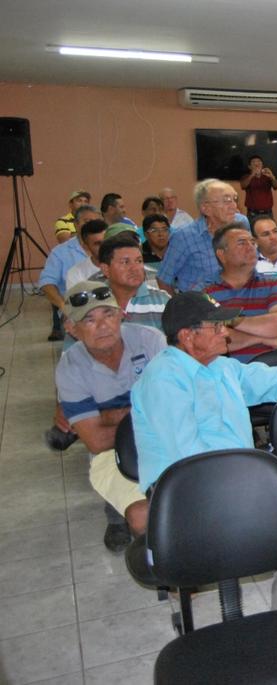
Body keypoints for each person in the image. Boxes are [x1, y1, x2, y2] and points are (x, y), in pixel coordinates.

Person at [131, 291, 277, 614]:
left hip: (234, 488)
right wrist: (258, 484)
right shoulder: (164, 379)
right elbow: (191, 462)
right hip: (190, 503)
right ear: (187, 336)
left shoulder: (221, 368)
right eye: (217, 327)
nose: (227, 333)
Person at [56, 280, 163, 550]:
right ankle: (177, 582)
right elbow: (97, 442)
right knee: (143, 516)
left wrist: (107, 415)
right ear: (71, 329)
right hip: (111, 455)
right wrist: (146, 410)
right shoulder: (70, 367)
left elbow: (174, 408)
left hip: (167, 441)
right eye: (89, 319)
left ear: (121, 316)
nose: (103, 326)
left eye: (109, 315)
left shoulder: (151, 341)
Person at [204, 223, 277, 362]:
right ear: (222, 254)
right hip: (233, 374)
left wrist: (231, 319)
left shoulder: (274, 283)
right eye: (241, 243)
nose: (251, 247)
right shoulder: (205, 293)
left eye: (252, 242)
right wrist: (262, 337)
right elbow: (213, 341)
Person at [157, 179, 250, 293]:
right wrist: (178, 307)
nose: (234, 206)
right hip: (201, 306)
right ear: (205, 208)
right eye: (226, 200)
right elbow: (163, 279)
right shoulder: (183, 237)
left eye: (234, 199)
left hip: (241, 300)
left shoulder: (241, 223)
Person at [41, 204, 103, 341]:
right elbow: (47, 283)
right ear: (76, 224)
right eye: (87, 221)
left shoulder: (109, 248)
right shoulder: (60, 252)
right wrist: (65, 307)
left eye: (95, 221)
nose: (92, 224)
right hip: (73, 309)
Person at [96, 232, 170, 331]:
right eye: (125, 262)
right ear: (105, 269)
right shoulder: (92, 302)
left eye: (139, 261)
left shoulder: (162, 301)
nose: (135, 268)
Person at [239, 154, 277, 223]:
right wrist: (252, 175)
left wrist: (272, 176)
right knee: (253, 232)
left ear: (262, 165)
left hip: (268, 212)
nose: (257, 164)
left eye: (259, 162)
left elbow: (276, 186)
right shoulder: (246, 177)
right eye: (254, 162)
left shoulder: (267, 176)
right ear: (249, 166)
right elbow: (243, 186)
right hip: (253, 213)